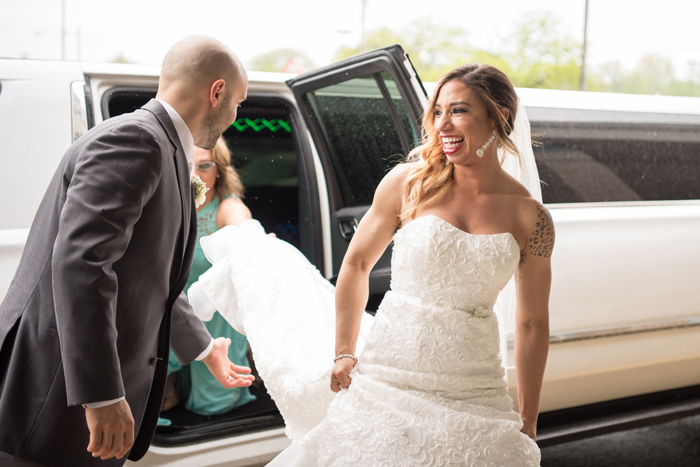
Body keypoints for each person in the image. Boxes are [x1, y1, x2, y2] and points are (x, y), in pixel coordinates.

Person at [189, 63, 552, 466]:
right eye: (438, 111)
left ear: (498, 117)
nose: (443, 124)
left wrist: (528, 416)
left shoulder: (531, 219)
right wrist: (344, 351)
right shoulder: (407, 183)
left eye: (459, 110)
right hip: (390, 375)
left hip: (475, 388)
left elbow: (532, 322)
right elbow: (358, 265)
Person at [0, 36, 255, 467]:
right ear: (216, 92)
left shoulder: (167, 149)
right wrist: (101, 394)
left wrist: (203, 347)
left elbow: (149, 276)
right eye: (238, 103)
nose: (235, 116)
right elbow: (82, 265)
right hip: (53, 396)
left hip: (71, 400)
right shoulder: (137, 141)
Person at [159, 137, 256, 421]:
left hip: (214, 317)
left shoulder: (226, 207)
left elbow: (243, 226)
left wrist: (252, 236)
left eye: (204, 165)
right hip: (167, 314)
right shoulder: (163, 204)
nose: (193, 175)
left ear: (219, 170)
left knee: (215, 405)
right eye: (185, 165)